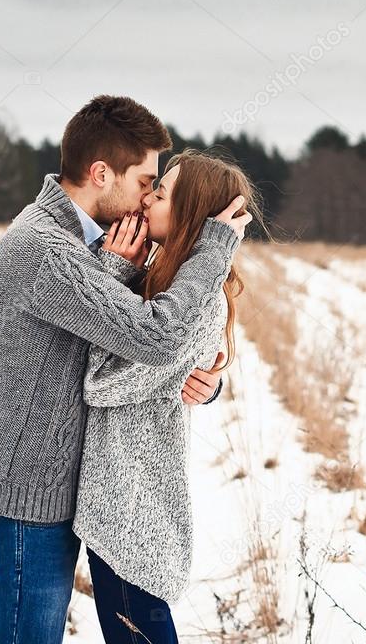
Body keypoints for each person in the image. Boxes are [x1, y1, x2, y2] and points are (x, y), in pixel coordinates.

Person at [0, 96, 251, 643]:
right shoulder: (46, 250)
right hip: (16, 503)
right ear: (100, 173)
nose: (147, 197)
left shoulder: (92, 242)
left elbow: (152, 343)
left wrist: (203, 383)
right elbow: (152, 337)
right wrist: (213, 251)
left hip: (43, 501)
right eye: (144, 181)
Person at [73, 149, 258, 643]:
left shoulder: (196, 303)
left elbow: (103, 382)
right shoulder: (171, 285)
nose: (149, 198)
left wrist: (113, 273)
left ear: (191, 216)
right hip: (124, 504)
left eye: (163, 193)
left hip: (136, 514)